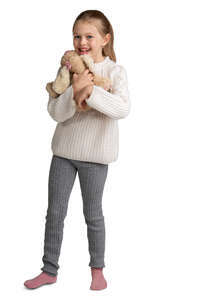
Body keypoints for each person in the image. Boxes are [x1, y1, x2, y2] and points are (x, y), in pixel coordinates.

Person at [24, 9, 130, 290]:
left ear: (105, 39)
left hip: (95, 157)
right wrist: (74, 87)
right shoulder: (68, 69)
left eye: (89, 36)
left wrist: (91, 90)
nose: (82, 41)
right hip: (63, 153)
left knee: (93, 214)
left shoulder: (115, 72)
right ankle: (49, 269)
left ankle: (97, 269)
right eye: (77, 36)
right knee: (55, 213)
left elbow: (122, 108)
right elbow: (55, 112)